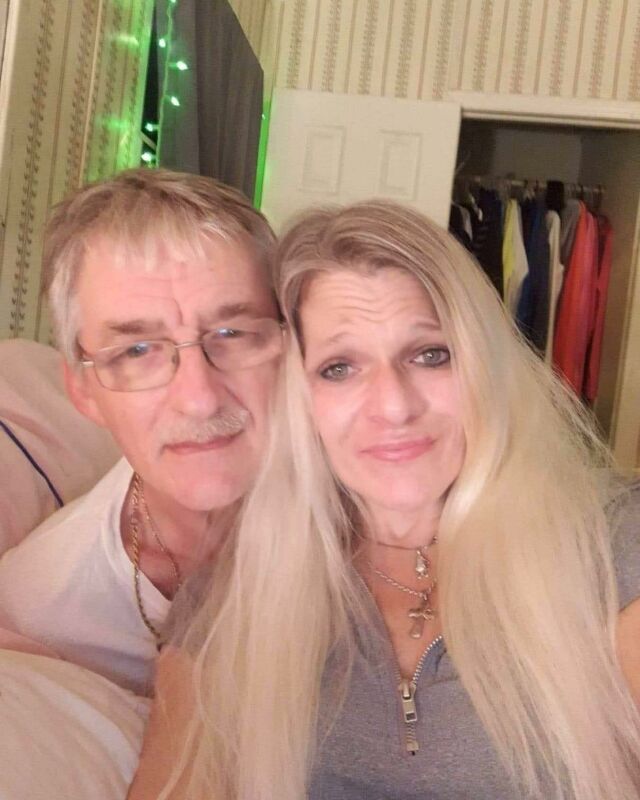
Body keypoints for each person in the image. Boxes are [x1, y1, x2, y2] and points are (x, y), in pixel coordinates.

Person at [129, 200, 640, 799]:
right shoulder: (232, 607)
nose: (395, 406)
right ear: (296, 396)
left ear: (483, 365)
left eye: (430, 355)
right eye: (339, 368)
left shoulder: (611, 544)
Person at [0, 168, 283, 695]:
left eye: (233, 333)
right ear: (84, 390)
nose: (199, 398)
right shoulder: (42, 615)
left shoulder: (383, 509)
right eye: (136, 351)